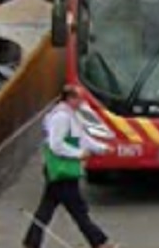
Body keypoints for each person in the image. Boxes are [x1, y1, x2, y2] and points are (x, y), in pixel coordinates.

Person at [22, 86, 116, 248]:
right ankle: (100, 242)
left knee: (47, 207)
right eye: (80, 98)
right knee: (78, 209)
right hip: (63, 169)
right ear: (70, 99)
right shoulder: (61, 117)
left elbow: (82, 138)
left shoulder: (70, 115)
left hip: (59, 169)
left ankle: (32, 242)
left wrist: (102, 148)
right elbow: (56, 145)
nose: (83, 102)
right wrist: (79, 154)